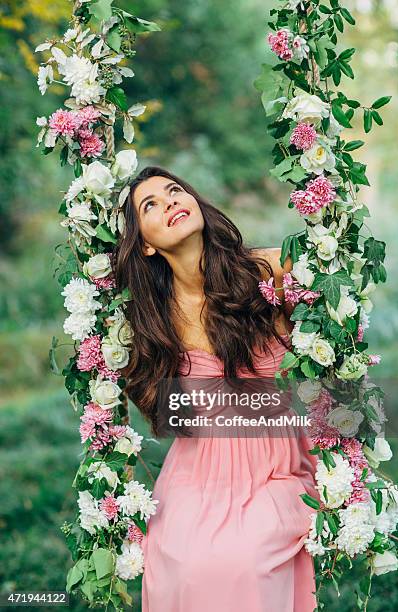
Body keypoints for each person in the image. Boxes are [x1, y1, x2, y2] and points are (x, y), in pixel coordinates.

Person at [114, 165, 318, 612]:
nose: (170, 201)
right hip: (199, 466)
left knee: (241, 560)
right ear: (145, 243)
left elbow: (336, 284)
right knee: (178, 560)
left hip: (274, 464)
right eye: (151, 204)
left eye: (174, 190)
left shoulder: (266, 269)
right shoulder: (152, 318)